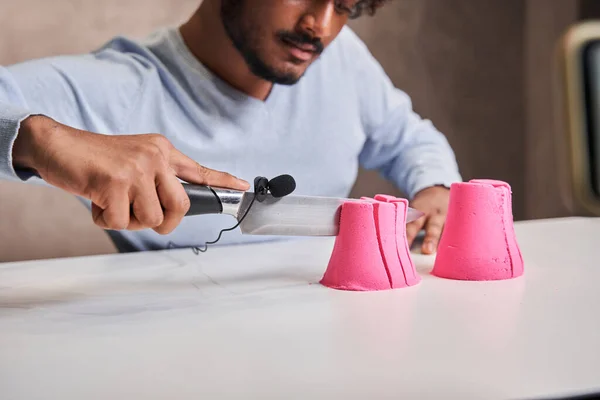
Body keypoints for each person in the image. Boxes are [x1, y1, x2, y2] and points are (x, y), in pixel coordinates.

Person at [0, 0, 461, 254]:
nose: (319, 27)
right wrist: (36, 139)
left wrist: (436, 187)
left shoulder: (341, 62)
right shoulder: (114, 86)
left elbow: (410, 137)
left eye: (344, 6)